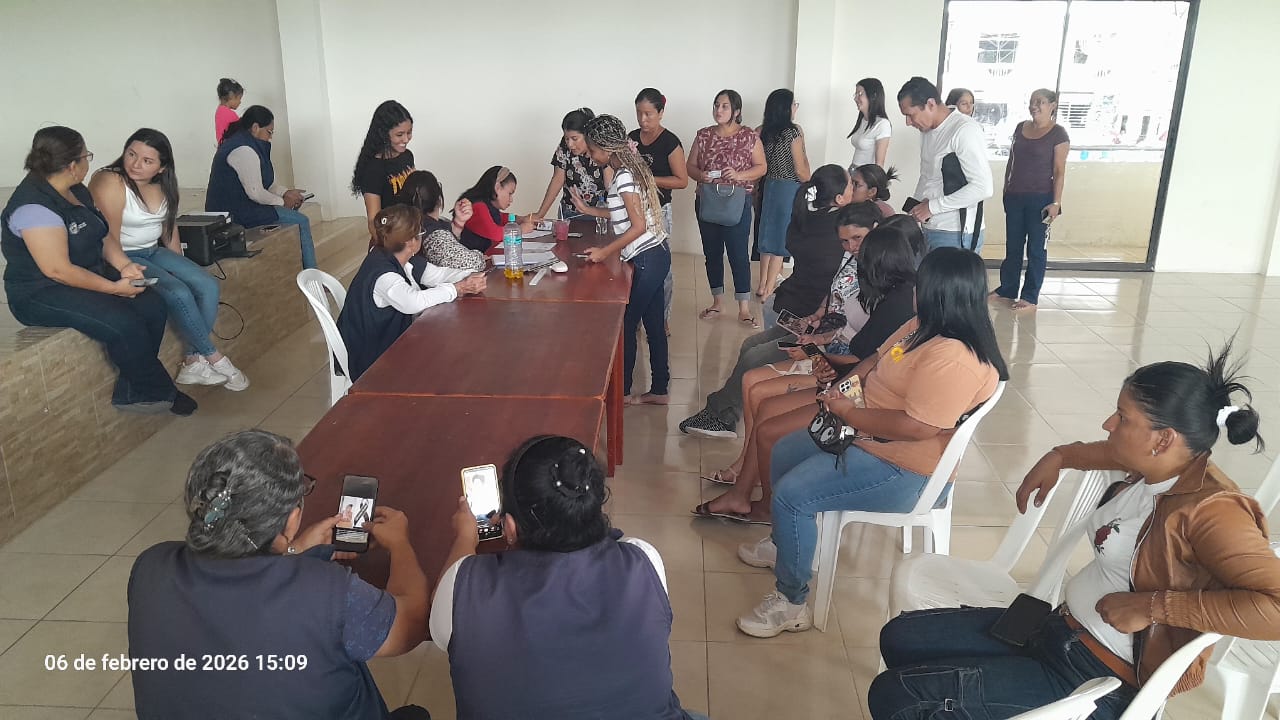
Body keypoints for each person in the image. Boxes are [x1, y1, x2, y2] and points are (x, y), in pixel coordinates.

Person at [868, 343, 1280, 720]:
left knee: (898, 697)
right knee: (900, 637)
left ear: (1163, 439)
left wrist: (1153, 606)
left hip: (1097, 678)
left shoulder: (1212, 511)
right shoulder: (1159, 469)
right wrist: (1061, 455)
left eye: (1123, 418)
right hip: (1054, 629)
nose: (1108, 423)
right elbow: (1109, 452)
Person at [735, 247, 1007, 637]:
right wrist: (843, 388)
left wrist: (848, 413)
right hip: (865, 434)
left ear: (939, 292)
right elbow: (874, 361)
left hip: (905, 469)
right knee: (783, 451)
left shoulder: (954, 358)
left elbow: (915, 428)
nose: (914, 292)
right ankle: (786, 543)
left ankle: (791, 602)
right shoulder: (922, 325)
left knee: (793, 496)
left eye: (920, 284)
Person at [127, 430, 432, 719]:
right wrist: (400, 544)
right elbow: (413, 624)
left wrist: (292, 549)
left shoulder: (151, 566)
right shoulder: (326, 592)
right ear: (293, 519)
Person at [430, 435, 705, 720]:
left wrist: (465, 537)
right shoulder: (644, 559)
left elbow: (441, 608)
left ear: (509, 528)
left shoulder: (462, 588)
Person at [695, 221, 917, 524]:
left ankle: (765, 503)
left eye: (863, 256)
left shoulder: (898, 305)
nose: (857, 263)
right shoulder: (890, 296)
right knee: (760, 395)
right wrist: (819, 350)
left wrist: (819, 359)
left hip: (854, 392)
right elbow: (867, 356)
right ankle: (744, 488)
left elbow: (866, 363)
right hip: (843, 376)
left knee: (765, 413)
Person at [1, 126, 195, 416]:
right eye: (86, 156)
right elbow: (58, 270)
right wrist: (114, 288)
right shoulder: (34, 207)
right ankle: (159, 389)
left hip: (84, 273)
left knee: (152, 304)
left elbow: (102, 235)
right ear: (72, 165)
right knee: (123, 322)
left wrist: (124, 266)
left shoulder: (76, 190)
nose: (88, 162)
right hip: (41, 292)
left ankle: (132, 388)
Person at [679, 167, 857, 438]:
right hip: (805, 319)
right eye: (851, 185)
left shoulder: (812, 218)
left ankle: (722, 414)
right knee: (751, 347)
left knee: (755, 353)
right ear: (840, 198)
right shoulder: (835, 230)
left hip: (813, 326)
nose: (854, 189)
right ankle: (726, 414)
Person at [89, 128, 249, 392]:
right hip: (123, 256)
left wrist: (180, 265)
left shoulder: (164, 185)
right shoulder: (111, 180)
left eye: (147, 161)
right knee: (178, 292)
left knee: (207, 285)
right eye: (131, 154)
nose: (135, 164)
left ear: (162, 168)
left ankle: (193, 361)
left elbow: (169, 230)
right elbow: (108, 237)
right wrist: (125, 267)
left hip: (153, 251)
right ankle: (215, 358)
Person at [569, 114, 671, 405]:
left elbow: (637, 226)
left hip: (647, 259)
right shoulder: (628, 170)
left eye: (593, 150)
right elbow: (624, 216)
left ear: (607, 148)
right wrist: (589, 210)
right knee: (654, 325)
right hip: (657, 254)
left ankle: (622, 392)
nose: (591, 155)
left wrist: (605, 252)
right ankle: (659, 390)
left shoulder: (624, 176)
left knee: (625, 324)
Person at [337, 205, 485, 380]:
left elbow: (437, 274)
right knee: (448, 357)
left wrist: (468, 276)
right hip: (372, 357)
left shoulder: (399, 257)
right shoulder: (384, 274)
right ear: (411, 242)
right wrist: (457, 288)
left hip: (391, 341)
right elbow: (412, 302)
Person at [688, 89, 767, 326]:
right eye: (716, 105)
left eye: (724, 106)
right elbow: (690, 166)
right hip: (708, 200)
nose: (718, 110)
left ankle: (744, 308)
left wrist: (739, 175)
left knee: (738, 254)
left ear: (736, 111)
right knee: (712, 253)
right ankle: (717, 302)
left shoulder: (749, 136)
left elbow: (761, 167)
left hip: (737, 201)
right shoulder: (703, 135)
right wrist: (701, 175)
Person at [205, 105, 316, 269]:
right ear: (255, 127)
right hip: (232, 212)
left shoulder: (248, 143)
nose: (270, 138)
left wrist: (287, 193)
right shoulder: (243, 150)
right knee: (301, 220)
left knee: (293, 214)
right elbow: (256, 192)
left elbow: (267, 184)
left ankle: (295, 269)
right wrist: (282, 202)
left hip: (243, 205)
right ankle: (313, 277)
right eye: (269, 132)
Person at [994, 88, 1070, 311]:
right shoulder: (1021, 127)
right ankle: (1007, 288)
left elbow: (1059, 171)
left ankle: (1030, 296)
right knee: (1013, 247)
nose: (1034, 106)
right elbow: (1012, 161)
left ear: (1052, 106)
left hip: (1041, 200)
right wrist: (1006, 189)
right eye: (1032, 101)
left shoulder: (1058, 134)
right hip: (1015, 197)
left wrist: (1056, 203)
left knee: (1036, 249)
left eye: (1040, 102)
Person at [898, 77, 993, 253]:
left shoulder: (964, 130)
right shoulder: (927, 130)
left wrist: (932, 207)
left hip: (955, 232)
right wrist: (914, 211)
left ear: (930, 104)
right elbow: (927, 175)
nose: (908, 122)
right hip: (929, 228)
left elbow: (983, 188)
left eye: (910, 115)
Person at [630, 88, 688, 332]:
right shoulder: (631, 139)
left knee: (660, 268)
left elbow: (682, 180)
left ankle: (661, 318)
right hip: (634, 210)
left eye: (648, 114)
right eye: (639, 113)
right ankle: (634, 315)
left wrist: (650, 180)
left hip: (658, 212)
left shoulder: (670, 142)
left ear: (661, 112)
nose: (643, 120)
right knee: (634, 265)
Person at [757, 88, 812, 299]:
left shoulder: (763, 132)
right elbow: (800, 170)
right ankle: (769, 289)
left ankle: (761, 284)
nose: (795, 108)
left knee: (767, 237)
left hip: (769, 186)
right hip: (788, 189)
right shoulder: (793, 133)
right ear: (786, 108)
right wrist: (810, 180)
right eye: (794, 104)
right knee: (781, 239)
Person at [396, 170, 485, 273]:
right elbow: (471, 263)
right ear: (439, 199)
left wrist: (458, 222)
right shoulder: (432, 234)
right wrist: (480, 256)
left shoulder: (403, 223)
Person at [351, 100, 416, 240]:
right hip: (391, 238)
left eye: (409, 132)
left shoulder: (408, 156)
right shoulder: (374, 169)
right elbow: (374, 221)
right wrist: (389, 248)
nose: (406, 139)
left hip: (411, 231)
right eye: (399, 134)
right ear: (384, 134)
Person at [531, 108, 606, 221]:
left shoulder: (602, 148)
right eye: (567, 139)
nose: (570, 144)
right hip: (570, 213)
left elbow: (610, 184)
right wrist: (540, 214)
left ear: (587, 135)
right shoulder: (565, 146)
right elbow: (557, 180)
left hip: (600, 214)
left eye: (575, 139)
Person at [457, 166, 534, 254]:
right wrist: (520, 229)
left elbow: (500, 217)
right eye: (510, 193)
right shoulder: (477, 207)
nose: (511, 199)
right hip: (472, 259)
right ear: (497, 187)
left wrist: (520, 219)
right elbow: (495, 234)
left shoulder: (486, 203)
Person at [847, 78, 892, 170]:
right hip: (853, 170)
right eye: (855, 94)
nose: (855, 98)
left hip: (865, 175)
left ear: (873, 96)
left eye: (860, 94)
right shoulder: (863, 120)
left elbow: (879, 165)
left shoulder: (882, 124)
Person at [214, 78, 243, 144]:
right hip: (230, 146)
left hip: (222, 146)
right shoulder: (230, 114)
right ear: (231, 96)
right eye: (239, 98)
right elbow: (241, 132)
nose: (240, 102)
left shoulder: (219, 110)